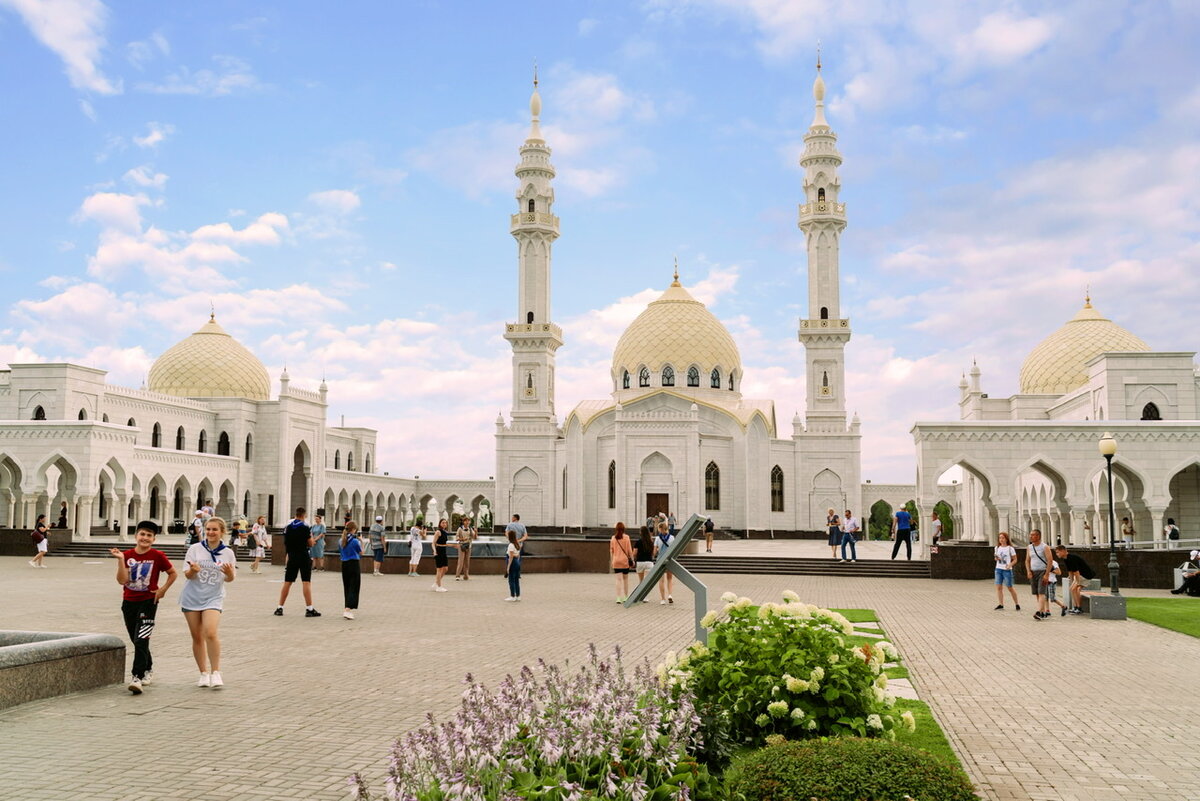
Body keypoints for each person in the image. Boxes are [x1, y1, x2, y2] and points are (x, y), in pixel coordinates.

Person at [109, 521, 177, 695]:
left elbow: (173, 573)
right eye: (142, 534)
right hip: (129, 602)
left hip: (148, 601)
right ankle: (148, 667)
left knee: (141, 638)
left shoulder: (158, 556)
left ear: (154, 539)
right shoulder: (127, 555)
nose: (145, 538)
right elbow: (121, 580)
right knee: (136, 638)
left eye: (149, 535)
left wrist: (162, 590)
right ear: (136, 536)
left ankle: (136, 677)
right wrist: (121, 560)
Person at [179, 516, 236, 688]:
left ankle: (216, 672)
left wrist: (229, 572)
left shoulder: (228, 553)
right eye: (208, 529)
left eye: (214, 530)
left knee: (210, 632)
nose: (210, 533)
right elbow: (187, 575)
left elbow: (230, 579)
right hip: (192, 597)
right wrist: (193, 570)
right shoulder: (195, 549)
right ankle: (203, 673)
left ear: (222, 532)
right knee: (196, 636)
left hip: (213, 596)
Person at [274, 507, 320, 617]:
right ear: (304, 515)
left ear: (296, 514)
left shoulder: (288, 528)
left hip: (292, 556)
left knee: (287, 582)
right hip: (303, 556)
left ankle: (280, 607)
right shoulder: (305, 527)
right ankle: (309, 609)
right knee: (306, 582)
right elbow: (310, 543)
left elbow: (286, 542)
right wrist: (312, 541)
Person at [1054, 544, 1095, 613]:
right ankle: (1076, 607)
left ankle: (1078, 608)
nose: (1057, 554)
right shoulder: (1066, 559)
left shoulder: (1071, 558)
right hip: (1080, 575)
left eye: (1058, 552)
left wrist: (1077, 582)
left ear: (1063, 551)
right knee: (1072, 589)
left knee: (1074, 589)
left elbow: (1076, 572)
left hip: (1086, 575)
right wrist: (1071, 581)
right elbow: (1070, 571)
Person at [1025, 529, 1052, 620]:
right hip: (1033, 572)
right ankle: (1043, 611)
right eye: (1030, 535)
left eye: (1033, 535)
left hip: (1042, 572)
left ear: (1038, 536)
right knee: (1037, 592)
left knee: (1041, 592)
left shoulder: (1045, 547)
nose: (1031, 537)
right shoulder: (1029, 547)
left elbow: (1050, 560)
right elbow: (1027, 560)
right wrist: (1028, 571)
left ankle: (1039, 612)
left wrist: (1047, 574)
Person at [339, 521, 363, 618]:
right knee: (354, 586)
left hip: (344, 564)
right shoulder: (354, 541)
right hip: (354, 564)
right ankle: (348, 609)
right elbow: (361, 552)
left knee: (347, 586)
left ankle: (347, 606)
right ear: (353, 529)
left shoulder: (341, 541)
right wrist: (361, 541)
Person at [609, 522, 636, 603]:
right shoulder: (626, 537)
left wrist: (612, 560)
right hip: (624, 561)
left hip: (616, 561)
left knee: (618, 580)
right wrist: (632, 560)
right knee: (625, 579)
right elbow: (629, 551)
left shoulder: (613, 538)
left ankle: (618, 598)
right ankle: (625, 597)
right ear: (624, 529)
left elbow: (611, 551)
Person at [993, 532, 1020, 610]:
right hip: (998, 569)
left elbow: (1015, 559)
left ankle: (1017, 603)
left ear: (1006, 539)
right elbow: (995, 557)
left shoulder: (1010, 548)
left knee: (1009, 587)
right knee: (999, 587)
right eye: (1000, 538)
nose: (1001, 539)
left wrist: (1010, 565)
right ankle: (1001, 604)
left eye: (1003, 538)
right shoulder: (997, 548)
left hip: (1007, 570)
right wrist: (996, 558)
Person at [653, 521, 675, 605]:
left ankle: (662, 599)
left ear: (660, 529)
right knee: (669, 579)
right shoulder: (672, 538)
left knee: (661, 580)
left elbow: (654, 552)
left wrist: (658, 550)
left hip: (660, 561)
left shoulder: (657, 539)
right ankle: (670, 595)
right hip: (669, 560)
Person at [430, 518, 455, 592]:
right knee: (439, 569)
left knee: (445, 569)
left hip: (444, 551)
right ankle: (439, 587)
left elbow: (445, 543)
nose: (444, 524)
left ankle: (436, 583)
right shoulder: (438, 532)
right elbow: (433, 543)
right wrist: (434, 551)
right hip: (439, 551)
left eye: (445, 523)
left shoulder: (445, 532)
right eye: (443, 523)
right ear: (440, 524)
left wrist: (453, 545)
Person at [634, 526, 655, 601]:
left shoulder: (638, 541)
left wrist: (634, 559)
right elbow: (653, 553)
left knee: (641, 581)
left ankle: (640, 596)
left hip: (640, 562)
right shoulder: (651, 542)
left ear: (641, 532)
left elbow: (635, 553)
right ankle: (645, 597)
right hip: (649, 562)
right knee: (647, 581)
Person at [504, 529, 522, 601]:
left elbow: (510, 556)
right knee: (516, 580)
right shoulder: (517, 544)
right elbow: (518, 555)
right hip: (517, 563)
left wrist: (508, 567)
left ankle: (512, 596)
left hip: (512, 563)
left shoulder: (511, 545)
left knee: (511, 580)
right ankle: (518, 595)